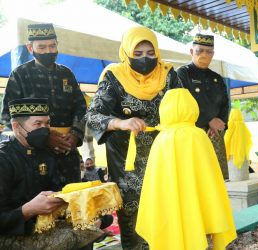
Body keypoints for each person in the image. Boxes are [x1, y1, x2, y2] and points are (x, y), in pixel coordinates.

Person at [86, 26, 182, 249]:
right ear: (126, 52)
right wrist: (121, 123)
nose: (145, 59)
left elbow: (185, 107)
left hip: (165, 152)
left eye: (150, 53)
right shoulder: (114, 76)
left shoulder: (169, 75)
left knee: (168, 206)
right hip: (126, 158)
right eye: (137, 54)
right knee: (133, 212)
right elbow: (92, 115)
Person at [135, 89, 237, 250]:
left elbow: (155, 185)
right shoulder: (198, 135)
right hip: (197, 199)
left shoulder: (161, 139)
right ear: (192, 107)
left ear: (164, 109)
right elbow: (210, 179)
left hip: (169, 203)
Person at [0, 23, 86, 188]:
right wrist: (45, 137)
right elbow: (8, 117)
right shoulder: (19, 75)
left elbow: (81, 108)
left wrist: (75, 135)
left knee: (72, 201)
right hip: (34, 155)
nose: (48, 51)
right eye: (42, 47)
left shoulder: (66, 73)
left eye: (52, 46)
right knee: (43, 205)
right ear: (30, 48)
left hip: (69, 151)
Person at [0, 98, 64, 235]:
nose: (45, 130)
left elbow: (58, 189)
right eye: (38, 124)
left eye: (47, 124)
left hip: (42, 225)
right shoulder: (3, 159)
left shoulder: (47, 153)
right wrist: (28, 210)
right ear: (16, 126)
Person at [176, 33, 230, 180]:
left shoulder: (217, 78)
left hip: (214, 135)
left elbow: (225, 104)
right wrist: (208, 120)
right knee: (196, 176)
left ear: (213, 54)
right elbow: (183, 103)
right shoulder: (182, 73)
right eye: (200, 51)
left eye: (209, 52)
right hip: (193, 133)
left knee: (215, 177)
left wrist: (219, 124)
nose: (204, 55)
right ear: (192, 51)